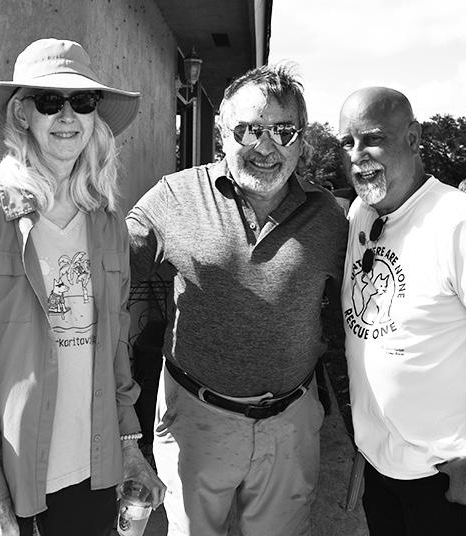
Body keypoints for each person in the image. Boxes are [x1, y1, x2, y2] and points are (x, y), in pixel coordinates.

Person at [0, 38, 165, 536]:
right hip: (13, 473)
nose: (67, 116)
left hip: (94, 470)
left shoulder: (107, 222)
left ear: (94, 115)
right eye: (49, 102)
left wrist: (130, 447)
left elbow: (116, 346)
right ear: (23, 114)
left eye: (82, 101)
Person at [126, 65, 348, 535]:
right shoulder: (174, 197)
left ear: (301, 141)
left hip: (291, 423)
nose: (265, 147)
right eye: (248, 130)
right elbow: (106, 272)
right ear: (222, 135)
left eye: (283, 131)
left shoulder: (329, 217)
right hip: (195, 418)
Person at [338, 87, 466, 536]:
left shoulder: (462, 223)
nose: (357, 154)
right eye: (347, 142)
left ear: (413, 138)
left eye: (373, 138)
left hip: (443, 476)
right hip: (379, 467)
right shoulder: (361, 213)